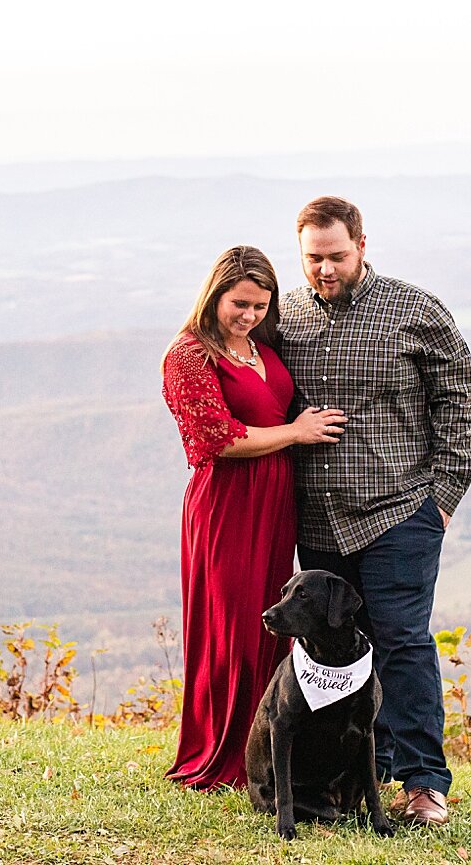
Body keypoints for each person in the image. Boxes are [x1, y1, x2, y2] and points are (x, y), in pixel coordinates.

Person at [277, 195, 471, 826]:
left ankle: (423, 785)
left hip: (399, 511)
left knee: (401, 642)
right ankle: (360, 777)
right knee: (333, 651)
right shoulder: (280, 317)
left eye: (336, 256)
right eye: (313, 258)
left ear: (362, 244)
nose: (325, 269)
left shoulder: (415, 310)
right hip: (319, 521)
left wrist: (443, 498)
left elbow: (457, 399)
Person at [160, 245, 346, 790]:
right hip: (227, 503)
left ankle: (270, 752)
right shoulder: (189, 354)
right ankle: (223, 755)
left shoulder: (260, 343)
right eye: (239, 304)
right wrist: (296, 433)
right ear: (215, 294)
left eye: (261, 307)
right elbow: (215, 440)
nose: (248, 316)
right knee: (234, 626)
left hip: (275, 500)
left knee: (273, 627)